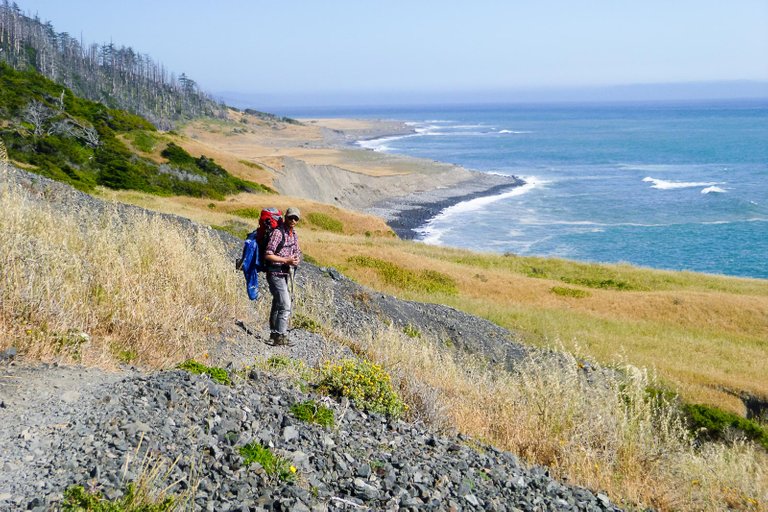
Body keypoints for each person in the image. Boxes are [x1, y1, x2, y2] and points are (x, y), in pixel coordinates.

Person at [265, 207, 302, 346]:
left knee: (277, 303)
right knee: (286, 305)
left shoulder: (293, 234)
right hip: (275, 273)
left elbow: (297, 251)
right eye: (291, 217)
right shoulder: (278, 233)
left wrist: (297, 259)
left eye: (296, 218)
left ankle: (274, 334)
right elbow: (268, 254)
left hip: (284, 273)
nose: (293, 220)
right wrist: (287, 260)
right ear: (285, 217)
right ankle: (280, 336)